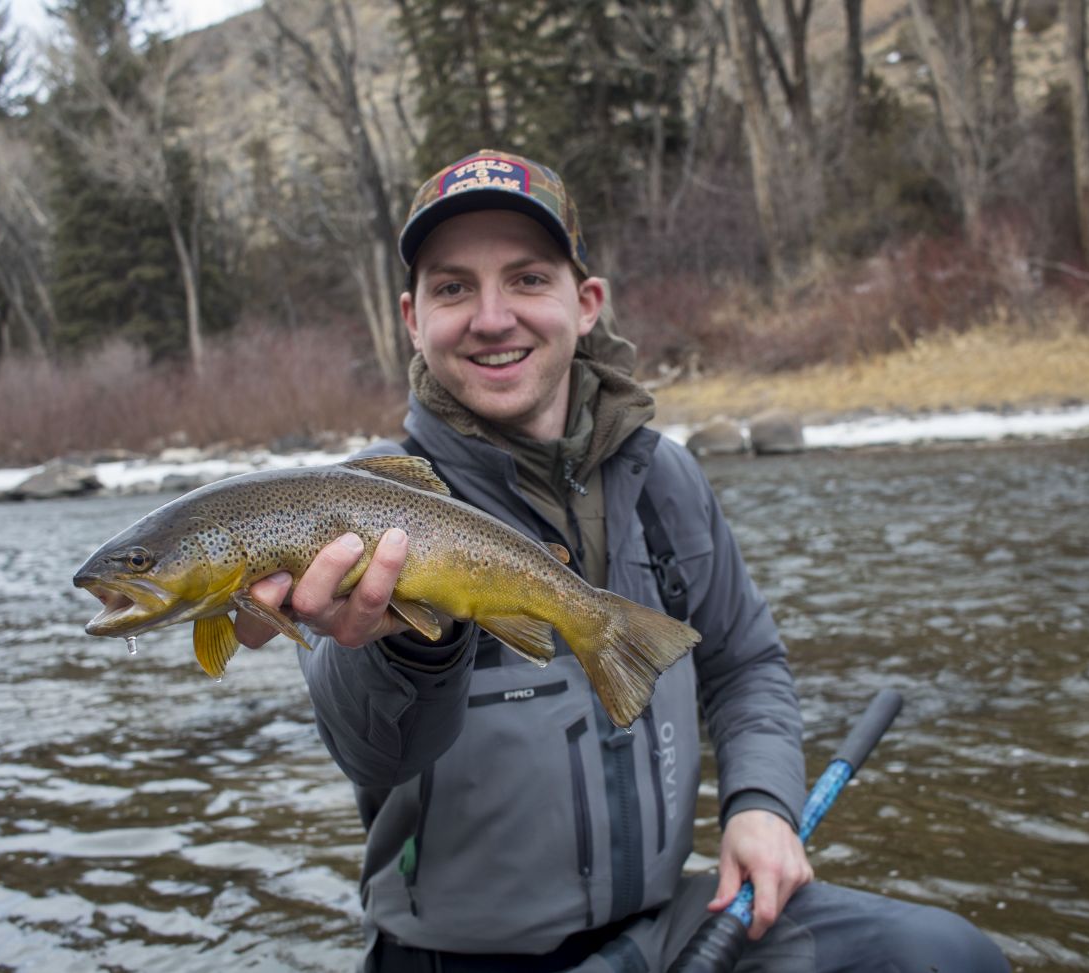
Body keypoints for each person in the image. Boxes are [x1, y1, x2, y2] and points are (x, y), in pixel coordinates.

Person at [236, 150, 1009, 972]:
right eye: (454, 287)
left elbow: (745, 664)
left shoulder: (664, 481)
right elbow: (371, 755)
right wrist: (408, 641)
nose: (493, 317)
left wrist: (761, 804)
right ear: (411, 318)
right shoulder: (356, 508)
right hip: (457, 957)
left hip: (663, 929)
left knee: (945, 954)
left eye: (529, 279)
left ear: (587, 301)